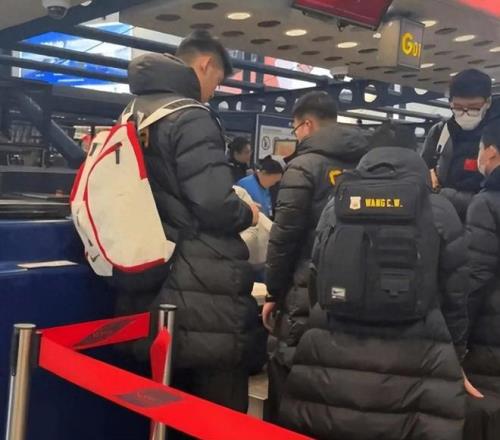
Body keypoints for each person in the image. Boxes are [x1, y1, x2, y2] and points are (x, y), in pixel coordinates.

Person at [278, 129, 472, 439]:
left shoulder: (337, 205)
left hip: (334, 349)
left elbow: (316, 276)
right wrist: (455, 353)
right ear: (415, 155)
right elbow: (456, 293)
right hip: (417, 354)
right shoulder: (438, 209)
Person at [118, 30, 261, 429]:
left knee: (163, 410)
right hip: (200, 285)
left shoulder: (131, 112)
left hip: (145, 275)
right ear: (204, 64)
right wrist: (247, 213)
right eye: (217, 81)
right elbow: (213, 203)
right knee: (217, 416)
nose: (214, 92)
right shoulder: (191, 115)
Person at [262, 90, 369, 422]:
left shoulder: (303, 166)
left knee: (290, 368)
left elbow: (284, 238)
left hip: (303, 289)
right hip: (356, 289)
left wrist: (272, 292)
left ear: (306, 125)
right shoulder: (366, 164)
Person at [422, 69, 500, 220]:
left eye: (474, 108)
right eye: (457, 107)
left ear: (488, 102)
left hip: (489, 223)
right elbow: (423, 170)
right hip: (444, 220)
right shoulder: (440, 132)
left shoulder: (496, 134)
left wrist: (446, 197)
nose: (465, 113)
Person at [463, 123, 500, 439]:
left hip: (491, 336)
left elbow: (476, 276)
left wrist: (455, 341)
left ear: (491, 152)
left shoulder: (487, 203)